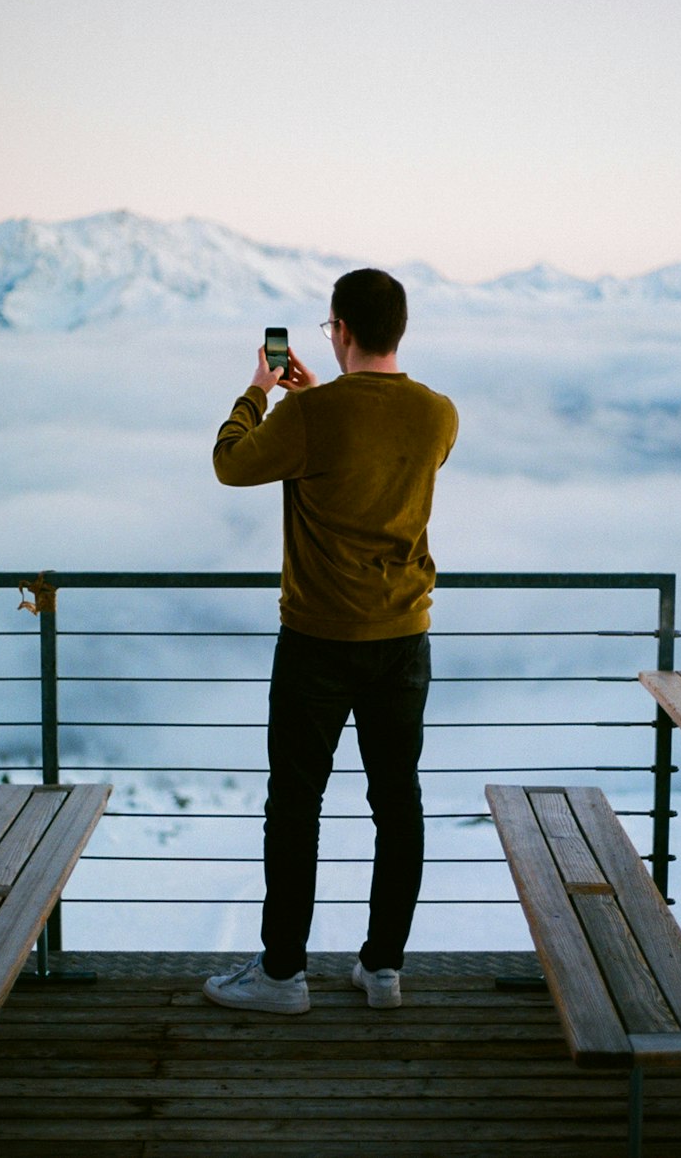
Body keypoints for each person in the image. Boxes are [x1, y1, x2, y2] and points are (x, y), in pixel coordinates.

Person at [204, 268, 458, 1014]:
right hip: (404, 640)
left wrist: (260, 392)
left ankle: (282, 976)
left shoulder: (308, 419)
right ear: (398, 331)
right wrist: (313, 401)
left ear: (339, 330)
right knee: (397, 804)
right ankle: (383, 970)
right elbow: (373, 456)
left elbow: (230, 464)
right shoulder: (439, 415)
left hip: (317, 640)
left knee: (295, 807)